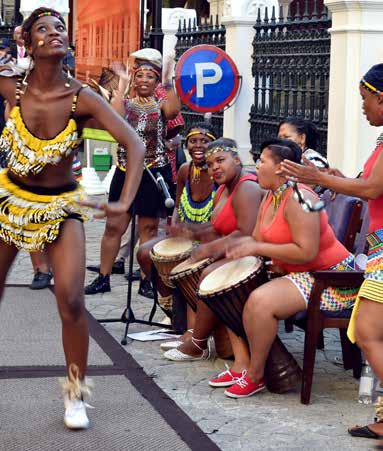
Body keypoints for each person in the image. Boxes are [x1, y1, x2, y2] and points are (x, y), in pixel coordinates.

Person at [0, 7, 145, 429]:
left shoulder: (82, 97)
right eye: (42, 29)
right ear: (27, 41)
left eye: (60, 28)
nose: (54, 34)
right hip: (10, 201)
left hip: (62, 205)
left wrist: (124, 201)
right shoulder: (11, 87)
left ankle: (76, 393)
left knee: (71, 299)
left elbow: (133, 145)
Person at [208, 138, 358, 398]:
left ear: (280, 167)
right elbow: (255, 238)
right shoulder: (271, 195)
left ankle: (256, 376)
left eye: (262, 161)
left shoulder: (301, 198)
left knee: (260, 302)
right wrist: (231, 250)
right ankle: (242, 364)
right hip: (301, 274)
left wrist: (258, 251)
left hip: (333, 280)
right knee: (231, 290)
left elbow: (306, 251)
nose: (256, 167)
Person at [280, 64, 383, 439]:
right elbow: (369, 184)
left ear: (381, 97)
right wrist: (339, 177)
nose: (363, 108)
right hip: (377, 251)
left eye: (365, 99)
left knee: (369, 331)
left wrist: (320, 178)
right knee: (373, 332)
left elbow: (373, 190)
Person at [85, 51, 181, 296]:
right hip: (125, 170)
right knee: (114, 227)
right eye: (140, 76)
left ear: (156, 82)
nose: (145, 80)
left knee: (148, 230)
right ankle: (103, 278)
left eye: (151, 76)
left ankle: (147, 281)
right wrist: (123, 83)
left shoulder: (160, 106)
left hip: (152, 172)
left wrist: (169, 77)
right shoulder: (126, 105)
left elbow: (173, 112)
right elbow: (114, 118)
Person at [162, 138, 264, 361]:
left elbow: (246, 233)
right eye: (210, 164)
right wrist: (190, 231)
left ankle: (198, 344)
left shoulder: (247, 187)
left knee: (206, 272)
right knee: (194, 265)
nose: (215, 167)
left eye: (220, 160)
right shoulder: (224, 190)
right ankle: (193, 334)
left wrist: (210, 249)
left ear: (236, 160)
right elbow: (216, 227)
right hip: (233, 252)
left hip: (252, 256)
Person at [136, 122, 217, 315]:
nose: (198, 146)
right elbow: (178, 206)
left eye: (204, 141)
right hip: (184, 237)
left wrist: (193, 233)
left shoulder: (218, 173)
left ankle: (193, 311)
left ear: (213, 145)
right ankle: (170, 305)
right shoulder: (185, 171)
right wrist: (174, 227)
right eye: (193, 141)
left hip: (210, 240)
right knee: (144, 253)